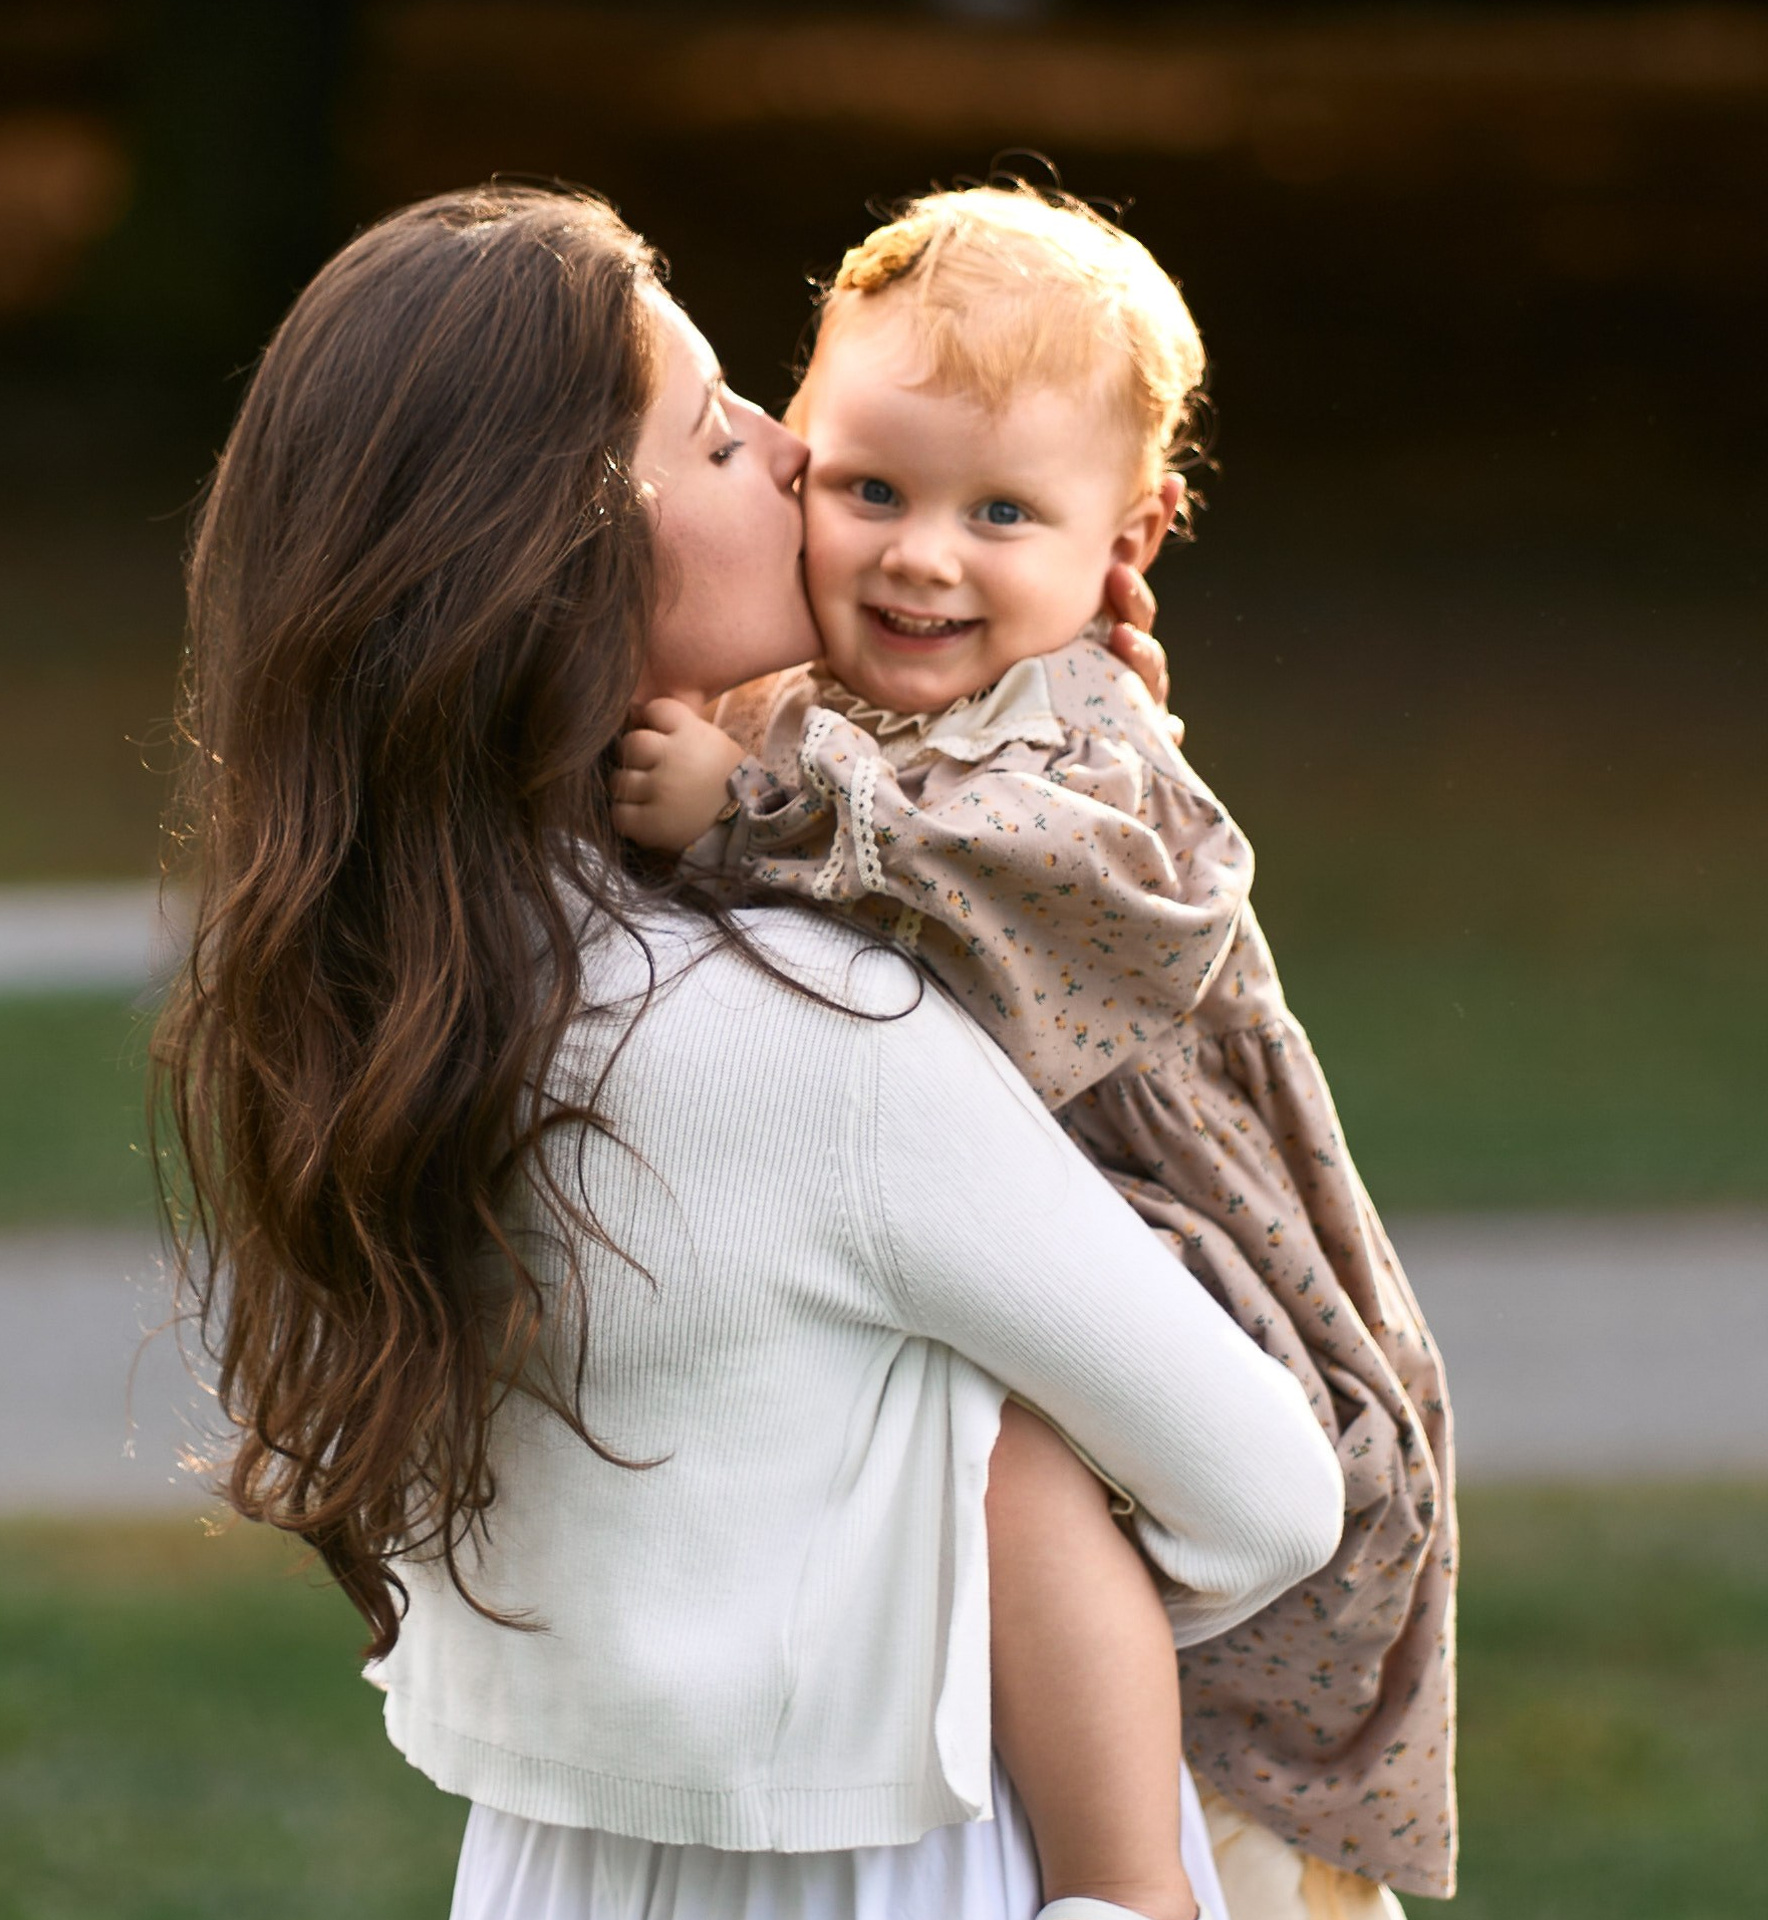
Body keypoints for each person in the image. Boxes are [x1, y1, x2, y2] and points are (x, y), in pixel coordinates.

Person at [151, 182, 1346, 1920]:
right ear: (565, 553)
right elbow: (1265, 1495)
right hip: (912, 1859)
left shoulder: (397, 988)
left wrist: (1022, 761)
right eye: (720, 437)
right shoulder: (814, 1043)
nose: (796, 459)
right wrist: (975, 1527)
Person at [612, 186, 1458, 1920]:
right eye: (872, 491)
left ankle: (1129, 1883)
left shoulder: (1089, 744)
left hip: (1180, 1229)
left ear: (1130, 531)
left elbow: (1059, 888)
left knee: (1033, 1456)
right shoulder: (807, 701)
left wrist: (748, 810)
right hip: (967, 1245)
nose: (923, 554)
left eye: (1004, 511)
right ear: (800, 463)